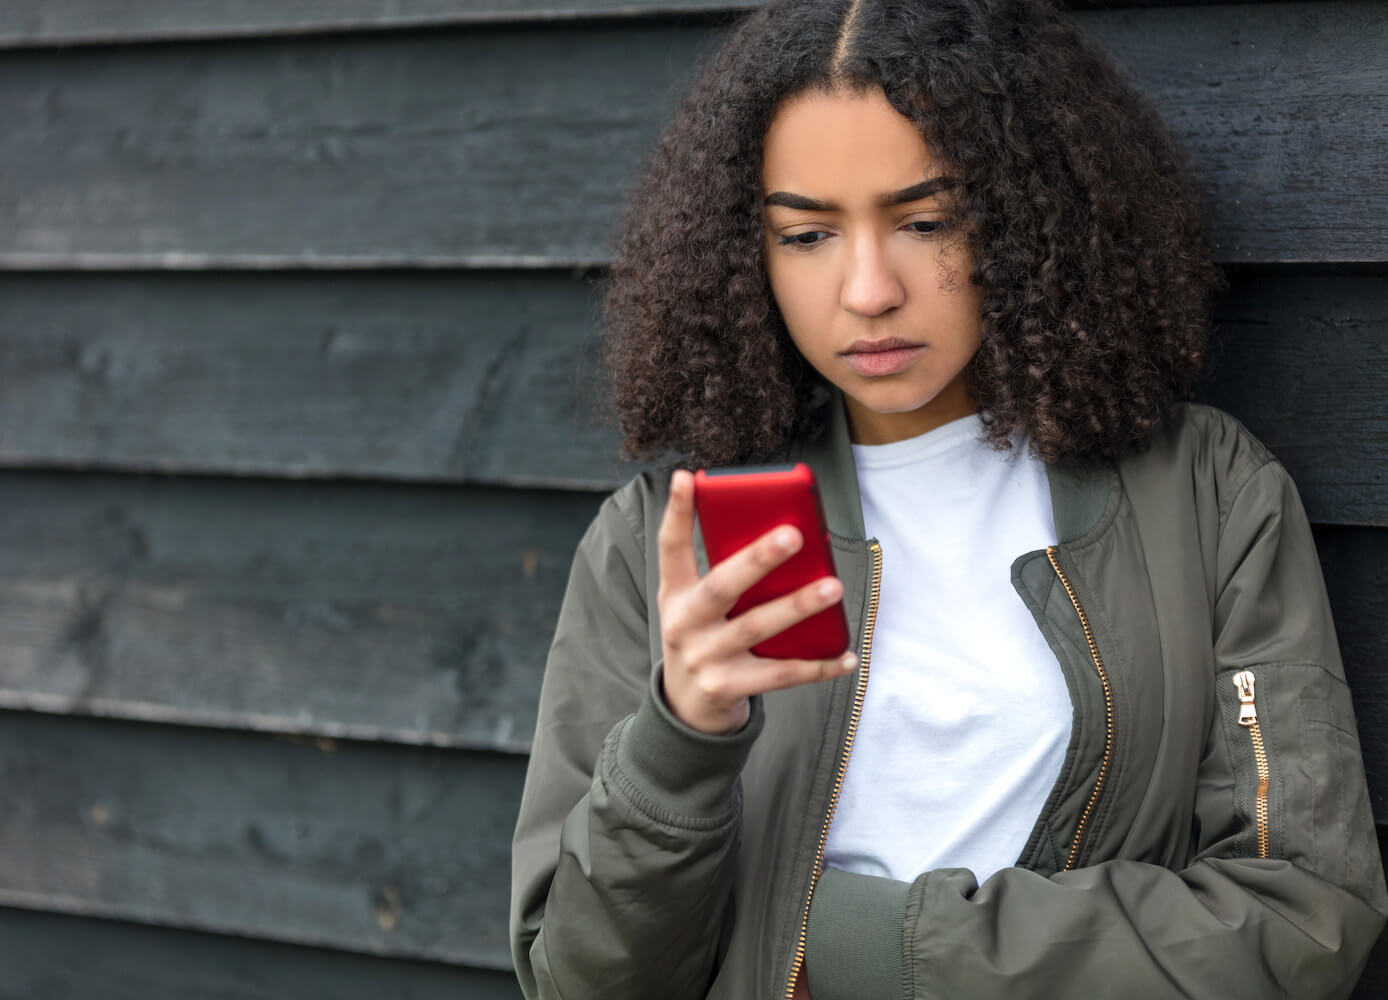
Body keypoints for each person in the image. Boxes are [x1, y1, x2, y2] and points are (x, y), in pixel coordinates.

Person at [509, 0, 1387, 997]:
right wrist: (681, 737)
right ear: (743, 252)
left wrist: (867, 942)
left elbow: (1304, 916)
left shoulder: (1207, 494)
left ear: (1024, 214)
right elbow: (579, 980)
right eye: (807, 235)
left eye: (926, 220)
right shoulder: (666, 540)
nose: (870, 288)